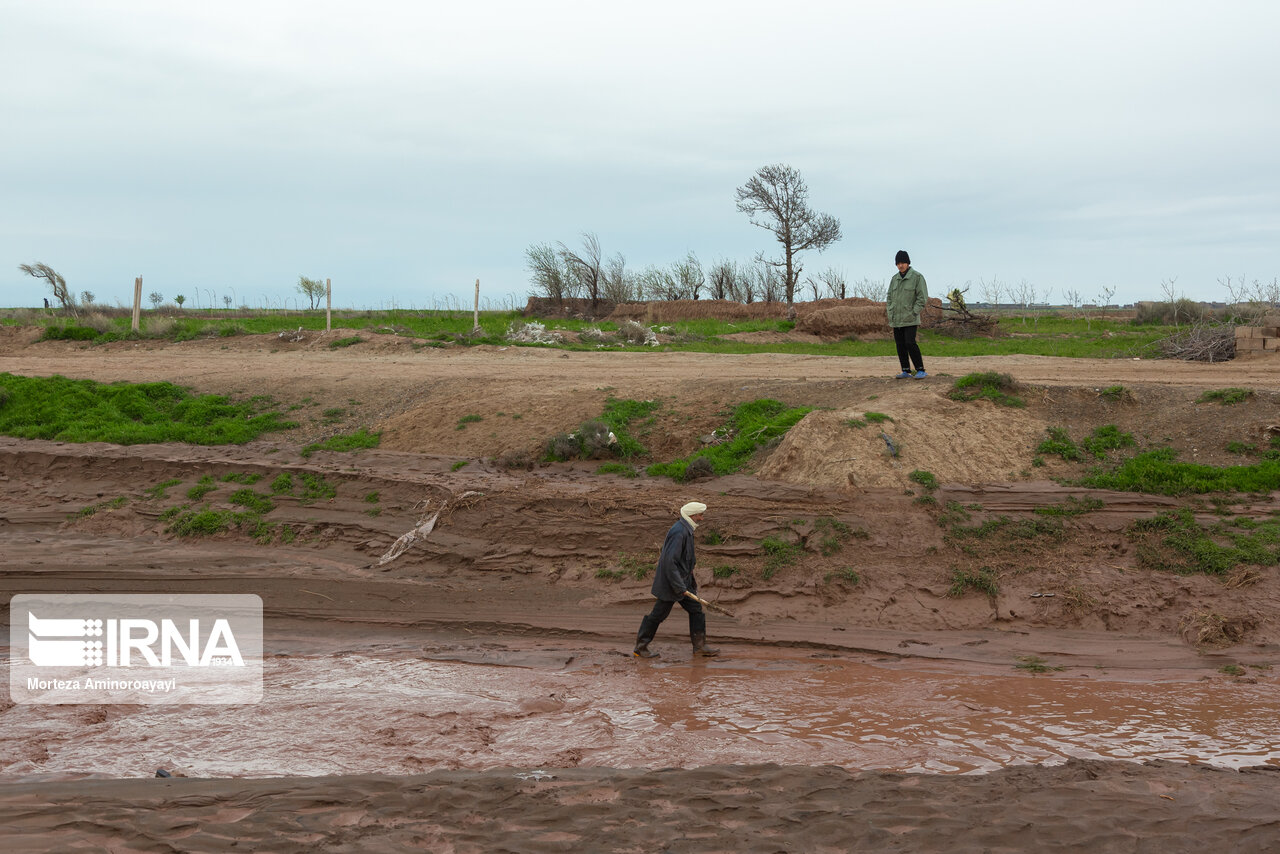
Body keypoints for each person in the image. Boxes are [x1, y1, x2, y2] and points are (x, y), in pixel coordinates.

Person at [633, 501, 720, 659]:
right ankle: (641, 647)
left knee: (696, 610)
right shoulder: (679, 532)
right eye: (700, 515)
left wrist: (687, 584)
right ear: (692, 516)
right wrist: (679, 586)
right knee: (658, 615)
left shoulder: (686, 529)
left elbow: (684, 561)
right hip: (671, 584)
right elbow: (669, 562)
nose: (702, 518)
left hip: (682, 582)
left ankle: (700, 647)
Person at [887, 250, 929, 379]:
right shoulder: (895, 279)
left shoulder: (917, 277)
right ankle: (906, 371)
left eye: (903, 262)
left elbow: (922, 298)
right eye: (898, 263)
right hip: (897, 319)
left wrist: (914, 312)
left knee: (910, 343)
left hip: (910, 319)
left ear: (908, 263)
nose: (901, 265)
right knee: (900, 345)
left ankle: (920, 370)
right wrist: (890, 312)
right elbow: (889, 297)